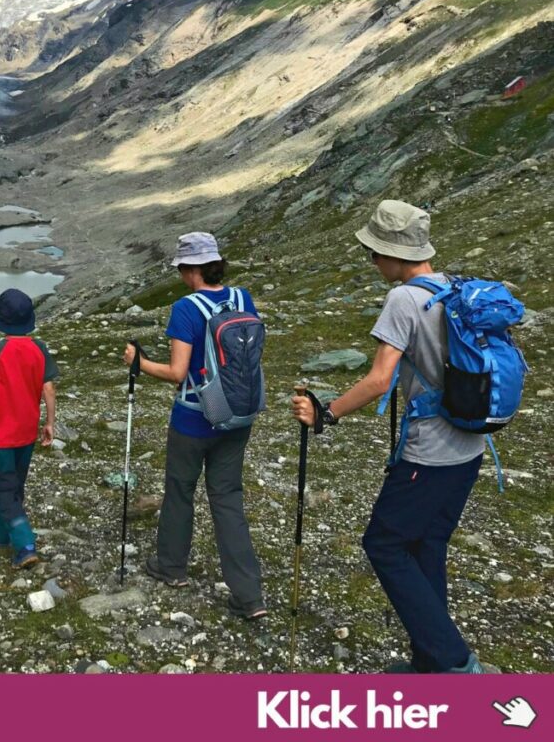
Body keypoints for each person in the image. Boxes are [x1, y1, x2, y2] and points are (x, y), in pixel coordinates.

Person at [292, 200, 486, 673]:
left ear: (395, 255)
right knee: (427, 545)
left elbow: (380, 379)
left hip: (429, 453)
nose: (373, 262)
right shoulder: (452, 288)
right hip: (471, 446)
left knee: (384, 544)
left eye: (374, 253)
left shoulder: (404, 298)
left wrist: (326, 414)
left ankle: (456, 664)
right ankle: (430, 662)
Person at [123, 231, 266, 619]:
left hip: (195, 416)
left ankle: (171, 567)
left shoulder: (186, 308)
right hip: (238, 416)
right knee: (227, 498)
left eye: (183, 269)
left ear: (191, 269)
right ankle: (248, 596)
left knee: (180, 489)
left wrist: (138, 363)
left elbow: (176, 372)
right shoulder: (242, 299)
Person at [0, 288, 59, 569]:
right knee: (14, 484)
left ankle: (24, 544)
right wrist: (49, 422)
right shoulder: (39, 348)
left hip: (2, 434)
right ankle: (0, 532)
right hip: (26, 432)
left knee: (4, 487)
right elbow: (48, 388)